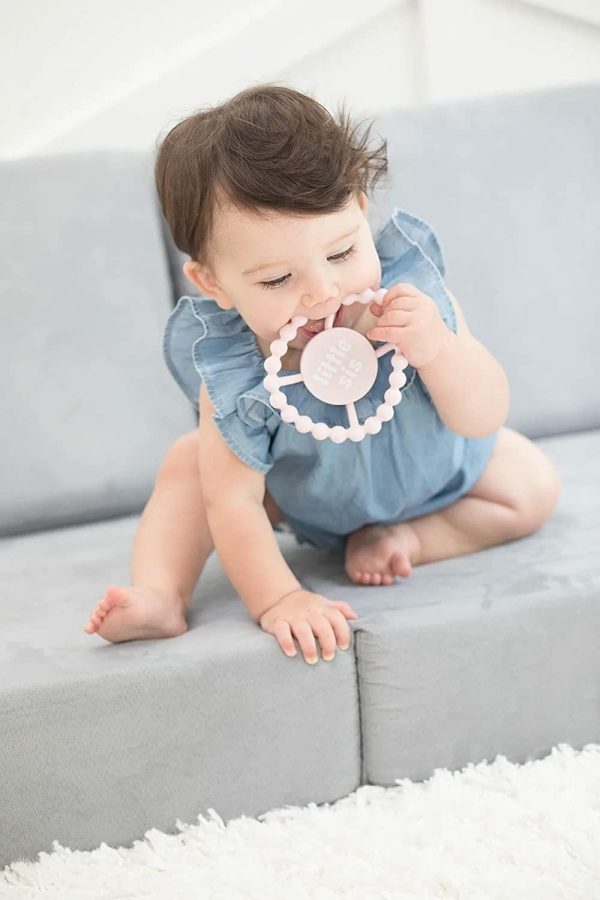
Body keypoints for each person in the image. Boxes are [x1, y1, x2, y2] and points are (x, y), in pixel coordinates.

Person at [83, 83, 560, 664]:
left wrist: (437, 349)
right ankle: (159, 593)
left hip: (438, 480)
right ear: (213, 284)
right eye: (276, 280)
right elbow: (233, 506)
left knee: (533, 484)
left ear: (360, 209)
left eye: (339, 254)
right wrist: (279, 597)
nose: (320, 293)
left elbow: (483, 415)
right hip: (308, 502)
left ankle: (408, 539)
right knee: (193, 465)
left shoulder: (409, 303)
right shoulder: (238, 375)